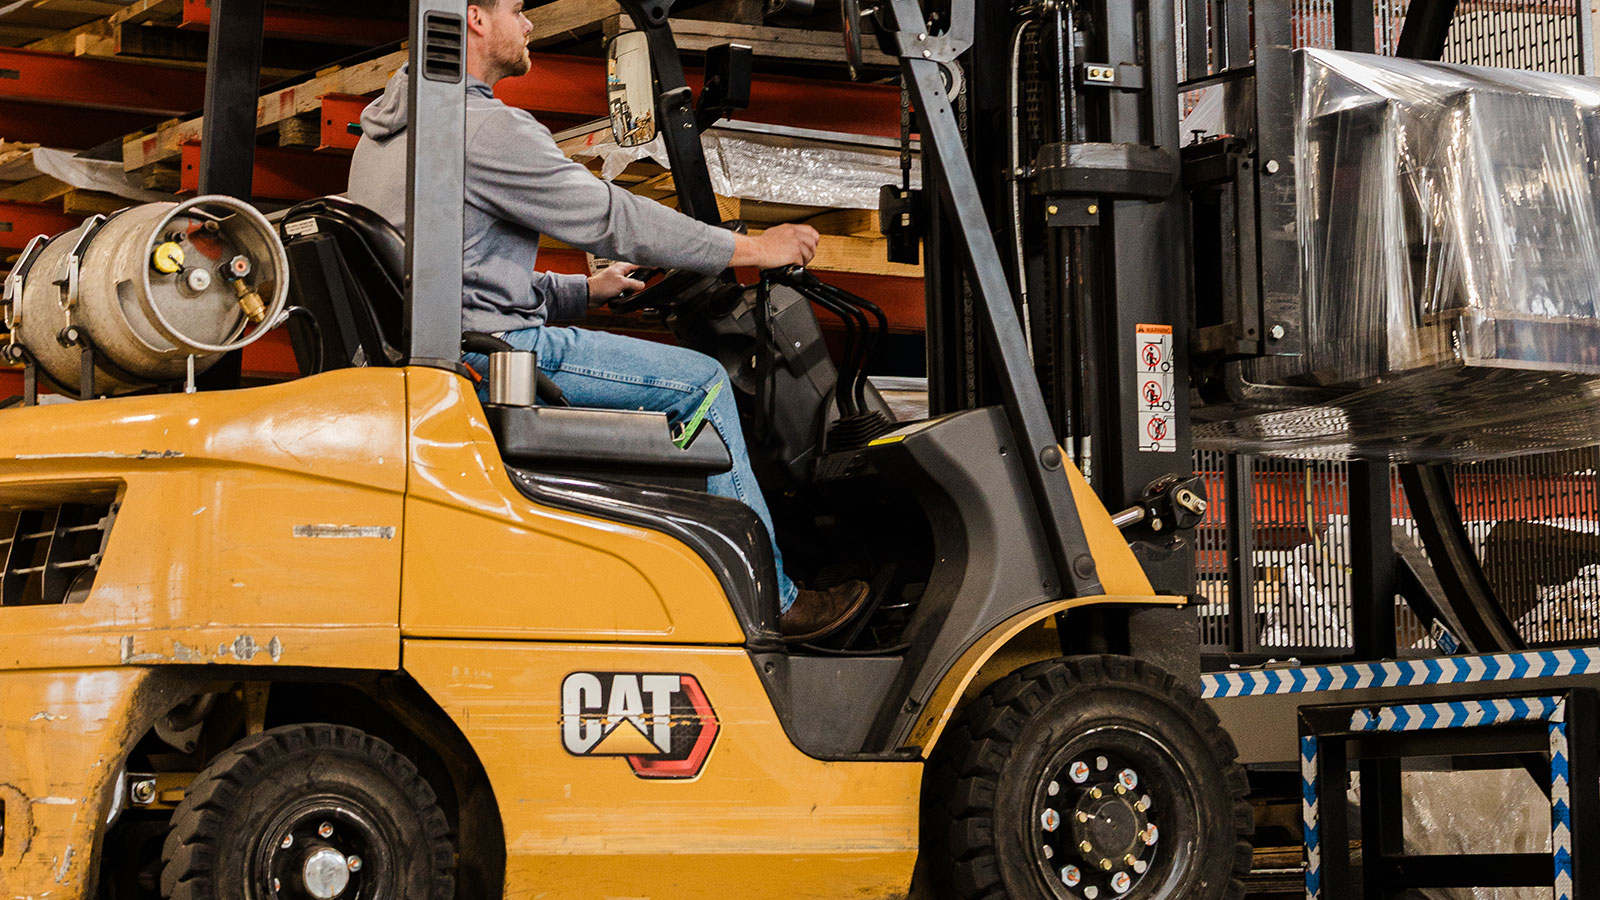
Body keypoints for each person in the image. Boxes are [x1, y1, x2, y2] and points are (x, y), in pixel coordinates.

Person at [347, 0, 868, 642]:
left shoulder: (390, 130)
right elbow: (614, 219)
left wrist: (583, 291)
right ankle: (769, 602)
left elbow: (447, 274)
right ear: (475, 19)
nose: (530, 23)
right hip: (489, 356)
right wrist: (754, 249)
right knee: (701, 384)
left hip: (449, 346)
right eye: (517, 9)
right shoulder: (481, 129)